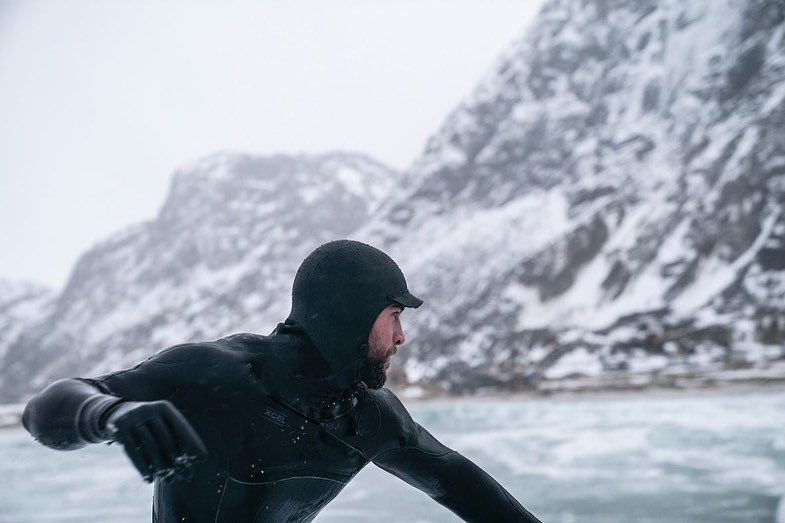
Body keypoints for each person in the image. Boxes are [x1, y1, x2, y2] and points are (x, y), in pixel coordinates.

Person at [23, 239, 541, 522]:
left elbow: (460, 484)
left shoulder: (366, 414)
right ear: (351, 315)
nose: (401, 336)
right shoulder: (216, 373)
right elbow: (44, 415)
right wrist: (108, 412)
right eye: (393, 315)